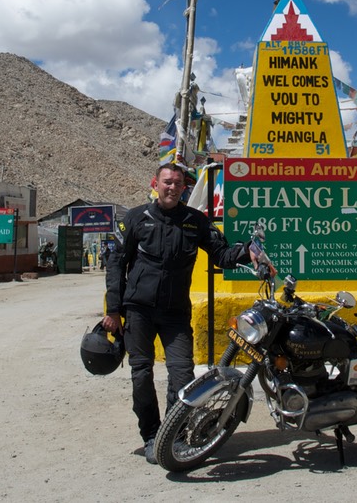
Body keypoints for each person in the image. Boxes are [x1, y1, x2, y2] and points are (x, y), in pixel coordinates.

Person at [102, 163, 255, 465]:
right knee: (142, 375)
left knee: (183, 375)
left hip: (175, 314)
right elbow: (116, 264)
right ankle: (151, 435)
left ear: (184, 188)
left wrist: (246, 250)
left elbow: (222, 255)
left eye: (178, 184)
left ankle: (174, 431)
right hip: (139, 311)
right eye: (167, 182)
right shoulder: (135, 219)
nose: (172, 188)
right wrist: (114, 310)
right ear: (155, 184)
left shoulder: (195, 221)